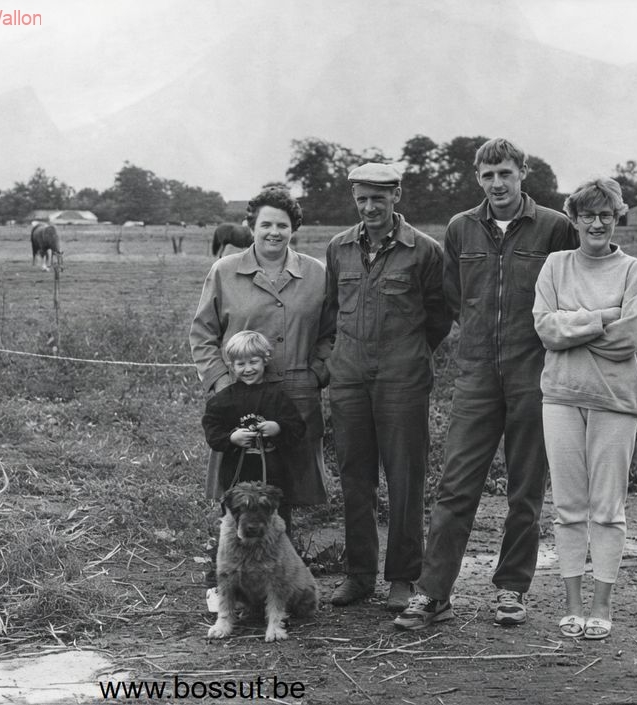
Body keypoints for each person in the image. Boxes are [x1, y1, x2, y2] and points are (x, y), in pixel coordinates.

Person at [395, 138, 579, 631]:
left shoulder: (554, 227)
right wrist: (479, 340)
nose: (498, 183)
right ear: (478, 178)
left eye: (506, 173)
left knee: (526, 488)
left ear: (523, 173)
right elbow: (455, 298)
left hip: (533, 372)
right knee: (456, 485)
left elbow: (568, 292)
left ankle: (511, 590)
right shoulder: (461, 227)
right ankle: (434, 594)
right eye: (488, 175)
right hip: (476, 374)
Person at [323, 163, 451, 611]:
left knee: (404, 478)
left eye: (379, 197)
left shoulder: (425, 250)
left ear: (396, 195)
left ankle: (402, 578)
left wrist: (408, 352)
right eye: (362, 198)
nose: (370, 207)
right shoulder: (338, 248)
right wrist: (340, 360)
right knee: (355, 477)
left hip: (403, 378)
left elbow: (439, 315)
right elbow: (330, 310)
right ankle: (359, 575)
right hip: (349, 379)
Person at [532, 178, 637, 640]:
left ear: (617, 217)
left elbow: (629, 339)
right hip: (561, 395)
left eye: (606, 215)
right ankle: (573, 605)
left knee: (607, 507)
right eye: (587, 215)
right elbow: (545, 329)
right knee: (568, 506)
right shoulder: (556, 265)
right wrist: (603, 316)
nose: (596, 223)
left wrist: (573, 326)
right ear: (574, 219)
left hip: (616, 401)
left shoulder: (632, 270)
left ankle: (602, 605)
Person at [190, 185, 334, 535]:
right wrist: (223, 384)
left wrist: (317, 373)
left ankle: (285, 557)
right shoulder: (224, 271)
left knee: (288, 485)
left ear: (293, 229)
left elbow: (333, 333)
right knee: (240, 482)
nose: (274, 232)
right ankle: (232, 555)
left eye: (282, 225)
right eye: (266, 224)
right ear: (250, 227)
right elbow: (203, 334)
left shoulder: (316, 273)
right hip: (240, 397)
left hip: (296, 396)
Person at [201, 330, 306, 497]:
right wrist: (231, 438)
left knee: (273, 507)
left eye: (253, 362)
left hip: (274, 472)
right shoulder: (224, 399)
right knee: (238, 507)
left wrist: (278, 428)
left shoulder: (277, 396)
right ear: (232, 366)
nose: (248, 369)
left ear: (265, 361)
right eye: (241, 364)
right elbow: (212, 428)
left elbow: (297, 426)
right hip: (235, 471)